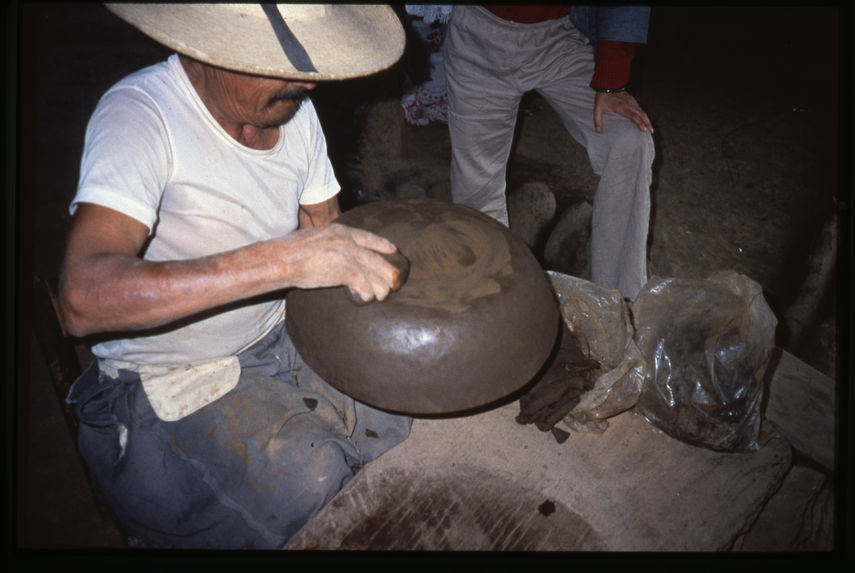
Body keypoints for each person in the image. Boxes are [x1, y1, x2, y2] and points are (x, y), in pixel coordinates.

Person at [58, 4, 413, 549]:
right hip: (169, 375)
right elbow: (83, 298)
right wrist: (282, 261)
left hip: (277, 332)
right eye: (282, 63)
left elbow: (327, 230)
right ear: (211, 48)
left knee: (394, 410)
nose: (309, 84)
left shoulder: (292, 113)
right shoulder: (141, 115)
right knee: (309, 480)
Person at [444, 5, 655, 301]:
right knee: (476, 191)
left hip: (557, 38)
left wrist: (611, 81)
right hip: (478, 33)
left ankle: (620, 302)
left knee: (629, 141)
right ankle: (493, 306)